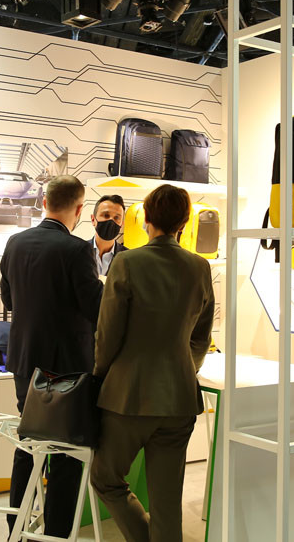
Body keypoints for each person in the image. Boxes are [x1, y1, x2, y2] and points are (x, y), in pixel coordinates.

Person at [90, 184, 215, 542]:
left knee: (106, 478)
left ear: (145, 217)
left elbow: (108, 333)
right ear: (185, 221)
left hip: (127, 396)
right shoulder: (200, 266)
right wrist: (185, 369)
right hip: (179, 398)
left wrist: (101, 376)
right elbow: (201, 336)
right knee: (167, 501)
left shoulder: (127, 262)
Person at [0, 175, 104, 536]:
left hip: (23, 362)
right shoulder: (77, 250)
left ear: (44, 202)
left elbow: (9, 300)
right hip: (66, 369)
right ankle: (57, 533)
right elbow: (96, 308)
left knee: (29, 442)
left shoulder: (15, 242)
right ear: (80, 209)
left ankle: (16, 526)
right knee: (65, 453)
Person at [89, 194, 127, 276]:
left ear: (122, 224)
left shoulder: (128, 258)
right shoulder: (79, 252)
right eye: (106, 215)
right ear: (93, 219)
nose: (111, 221)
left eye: (116, 218)